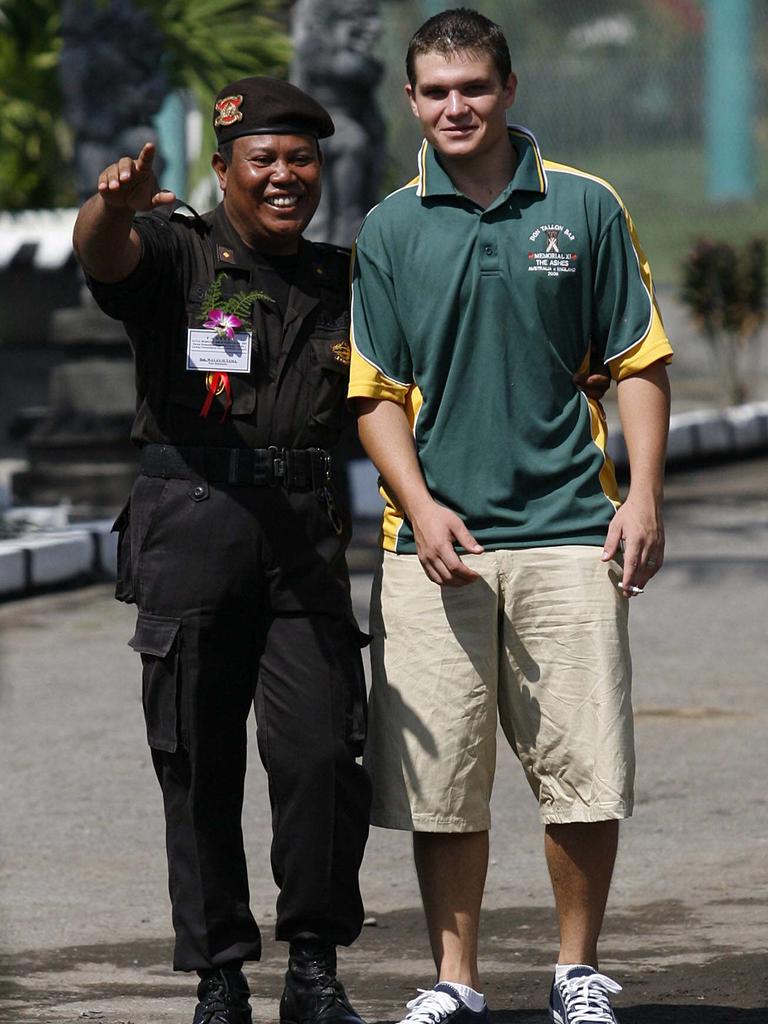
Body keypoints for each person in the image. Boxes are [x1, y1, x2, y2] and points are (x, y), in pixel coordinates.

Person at [348, 9, 672, 1024]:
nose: (456, 107)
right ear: (412, 101)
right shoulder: (390, 226)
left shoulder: (584, 205)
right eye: (437, 91)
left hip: (575, 531)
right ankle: (456, 979)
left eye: (474, 87)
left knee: (585, 772)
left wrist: (646, 496)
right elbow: (376, 394)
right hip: (436, 551)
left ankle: (579, 970)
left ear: (509, 89)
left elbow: (638, 359)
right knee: (441, 783)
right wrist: (421, 505)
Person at [73, 77, 372, 1024]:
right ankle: (219, 977)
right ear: (224, 169)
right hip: (191, 527)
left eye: (302, 159)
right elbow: (106, 255)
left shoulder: (342, 278)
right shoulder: (177, 252)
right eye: (265, 161)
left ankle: (315, 968)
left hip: (303, 538)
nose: (286, 176)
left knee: (324, 754)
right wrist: (107, 207)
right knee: (198, 762)